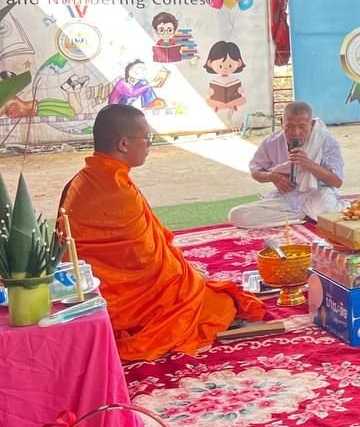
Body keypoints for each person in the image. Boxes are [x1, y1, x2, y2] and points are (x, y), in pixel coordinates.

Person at [59, 104, 266, 361]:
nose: (149, 145)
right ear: (124, 143)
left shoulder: (85, 179)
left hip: (87, 296)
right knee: (223, 304)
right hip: (123, 304)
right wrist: (189, 277)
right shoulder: (116, 189)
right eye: (146, 138)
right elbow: (147, 265)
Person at [228, 102, 344, 227]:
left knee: (328, 212)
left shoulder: (325, 141)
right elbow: (256, 171)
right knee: (237, 215)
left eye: (302, 126)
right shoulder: (271, 142)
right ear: (282, 122)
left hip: (317, 195)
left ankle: (313, 214)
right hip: (286, 198)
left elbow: (337, 181)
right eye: (290, 126)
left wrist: (309, 164)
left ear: (312, 125)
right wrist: (272, 176)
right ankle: (305, 216)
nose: (296, 132)